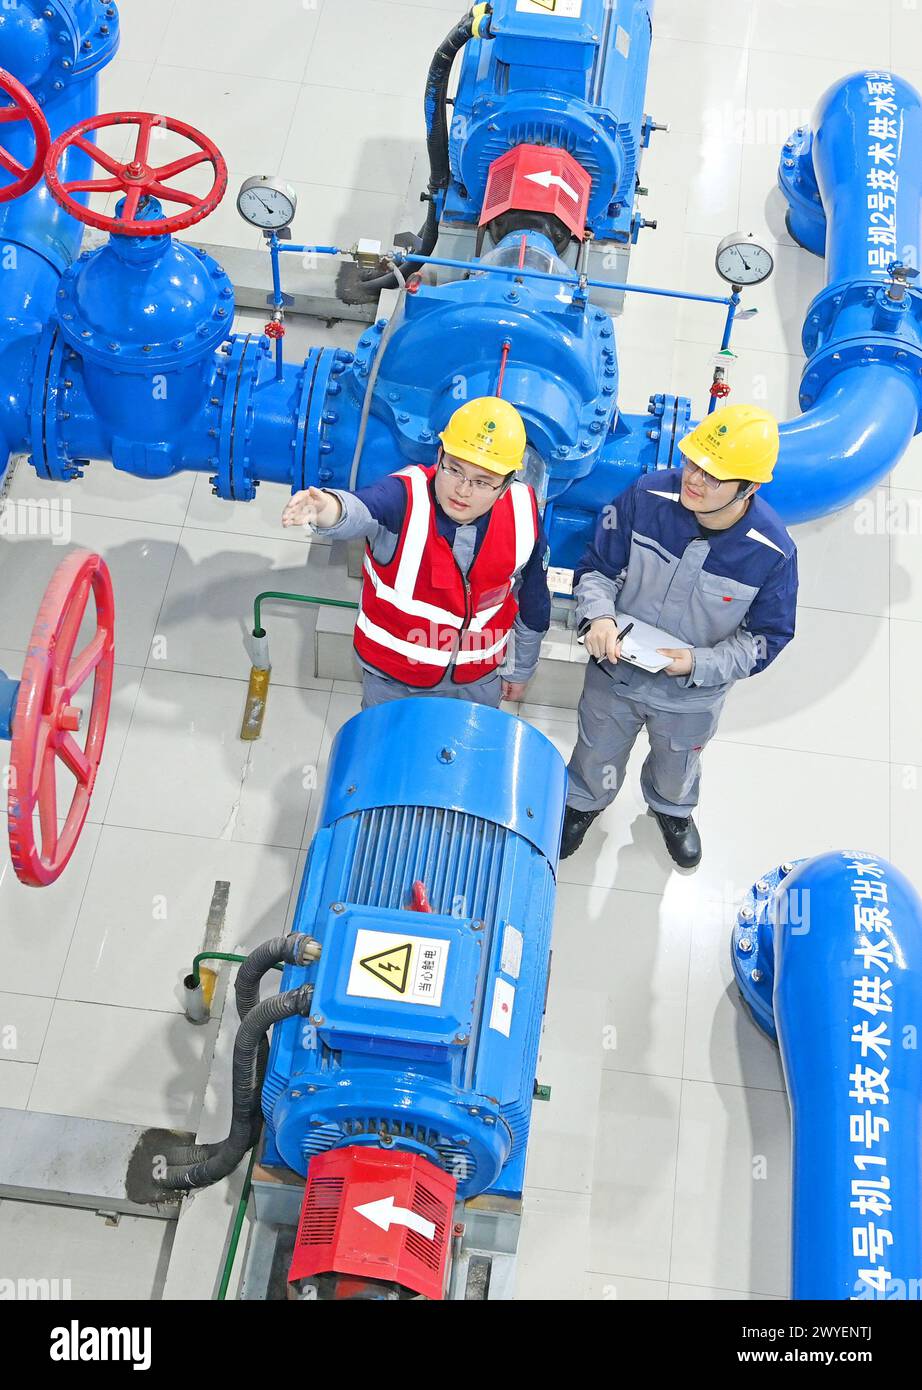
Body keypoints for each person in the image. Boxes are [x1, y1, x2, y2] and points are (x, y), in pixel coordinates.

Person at [561, 403, 798, 869]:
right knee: (596, 750)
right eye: (693, 463)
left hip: (692, 696)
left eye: (714, 476)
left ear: (749, 488)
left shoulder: (773, 553)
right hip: (616, 673)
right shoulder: (646, 495)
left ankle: (672, 810)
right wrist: (600, 618)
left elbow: (767, 639)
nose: (694, 479)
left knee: (677, 766)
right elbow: (597, 570)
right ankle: (584, 801)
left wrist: (697, 664)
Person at [282, 396, 551, 710]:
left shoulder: (522, 511)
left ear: (505, 485)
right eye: (453, 469)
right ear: (439, 455)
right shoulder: (403, 497)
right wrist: (328, 508)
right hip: (395, 681)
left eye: (482, 481)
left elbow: (533, 600)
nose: (462, 490)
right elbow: (363, 508)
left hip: (478, 681)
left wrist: (520, 669)